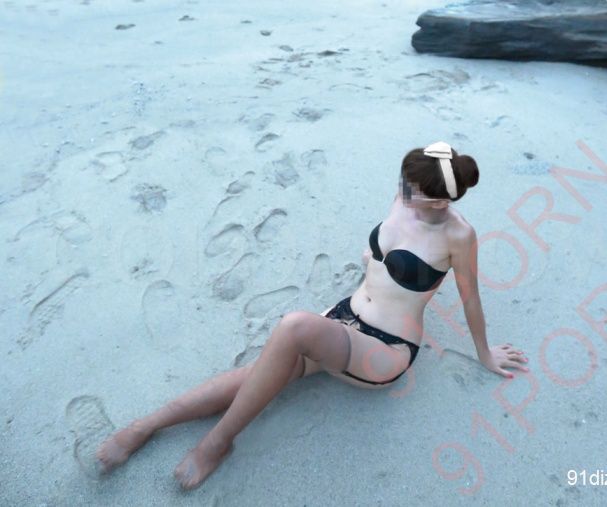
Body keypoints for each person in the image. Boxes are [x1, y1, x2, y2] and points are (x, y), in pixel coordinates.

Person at [95, 141, 529, 489]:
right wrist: (373, 259)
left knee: (294, 327)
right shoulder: (404, 195)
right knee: (257, 375)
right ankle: (149, 424)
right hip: (343, 319)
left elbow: (471, 299)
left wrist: (485, 353)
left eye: (415, 191)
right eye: (405, 182)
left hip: (385, 349)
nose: (403, 192)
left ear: (439, 201)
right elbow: (389, 246)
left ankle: (217, 442)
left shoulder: (459, 236)